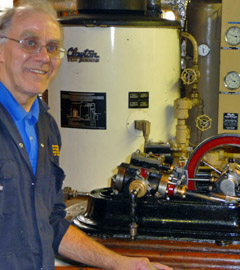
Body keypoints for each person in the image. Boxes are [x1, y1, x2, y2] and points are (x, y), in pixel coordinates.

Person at [0, 1, 172, 269]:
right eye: (29, 43)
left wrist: (122, 264)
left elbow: (53, 223)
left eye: (53, 47)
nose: (44, 57)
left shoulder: (45, 126)